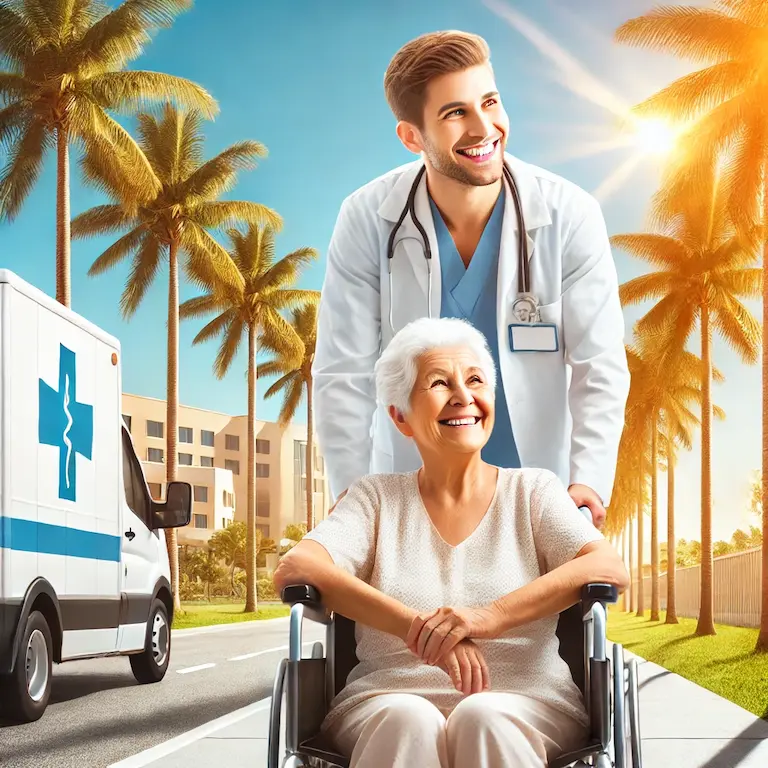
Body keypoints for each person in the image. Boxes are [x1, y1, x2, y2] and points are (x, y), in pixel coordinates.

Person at [275, 317, 629, 767]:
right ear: (400, 417)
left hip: (528, 702)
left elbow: (607, 566)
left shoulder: (534, 491)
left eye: (476, 380)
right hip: (385, 702)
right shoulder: (375, 498)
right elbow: (296, 567)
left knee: (483, 716)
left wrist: (486, 617)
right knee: (408, 718)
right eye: (439, 383)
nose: (464, 396)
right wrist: (420, 631)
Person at [312, 30, 630, 528]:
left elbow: (599, 367)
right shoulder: (368, 218)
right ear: (412, 136)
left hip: (537, 498)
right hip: (412, 500)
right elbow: (342, 371)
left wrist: (587, 480)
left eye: (490, 101)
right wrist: (353, 497)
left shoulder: (569, 214)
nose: (484, 128)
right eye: (456, 113)